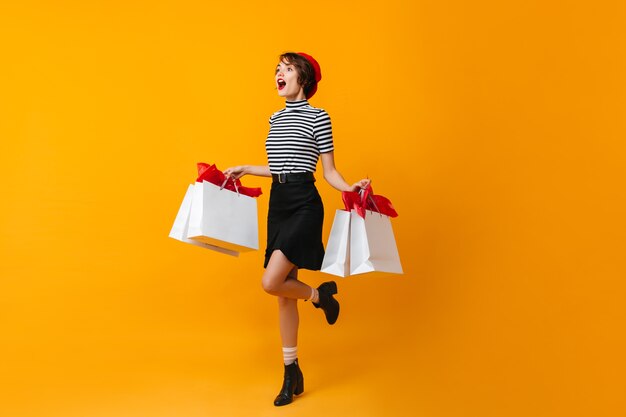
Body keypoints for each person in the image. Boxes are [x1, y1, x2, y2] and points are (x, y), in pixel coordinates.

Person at [224, 52, 370, 407]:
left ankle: (320, 297)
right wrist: (246, 167)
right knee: (284, 294)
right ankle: (291, 371)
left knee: (271, 282)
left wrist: (351, 188)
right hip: (279, 203)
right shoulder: (275, 118)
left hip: (305, 202)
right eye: (277, 68)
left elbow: (328, 170)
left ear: (303, 78)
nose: (279, 73)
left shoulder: (320, 117)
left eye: (287, 69)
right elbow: (279, 166)